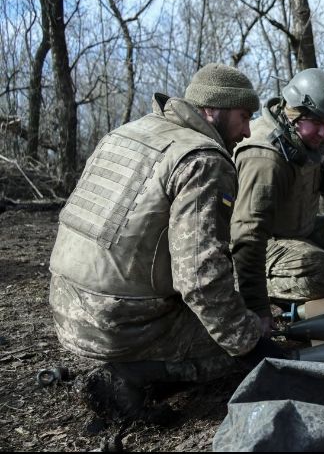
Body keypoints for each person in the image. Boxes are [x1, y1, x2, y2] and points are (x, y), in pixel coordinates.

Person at [48, 63, 284, 423]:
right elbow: (201, 282)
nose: (248, 131)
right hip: (119, 323)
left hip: (65, 306)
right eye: (243, 116)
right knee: (233, 349)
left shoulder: (125, 133)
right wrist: (252, 342)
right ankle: (131, 375)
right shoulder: (203, 158)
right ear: (212, 110)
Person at [230, 68, 324, 319]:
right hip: (258, 246)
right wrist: (258, 309)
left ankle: (296, 274)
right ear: (292, 113)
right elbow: (248, 238)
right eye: (317, 123)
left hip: (297, 231)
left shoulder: (311, 141)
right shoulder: (264, 156)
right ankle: (246, 287)